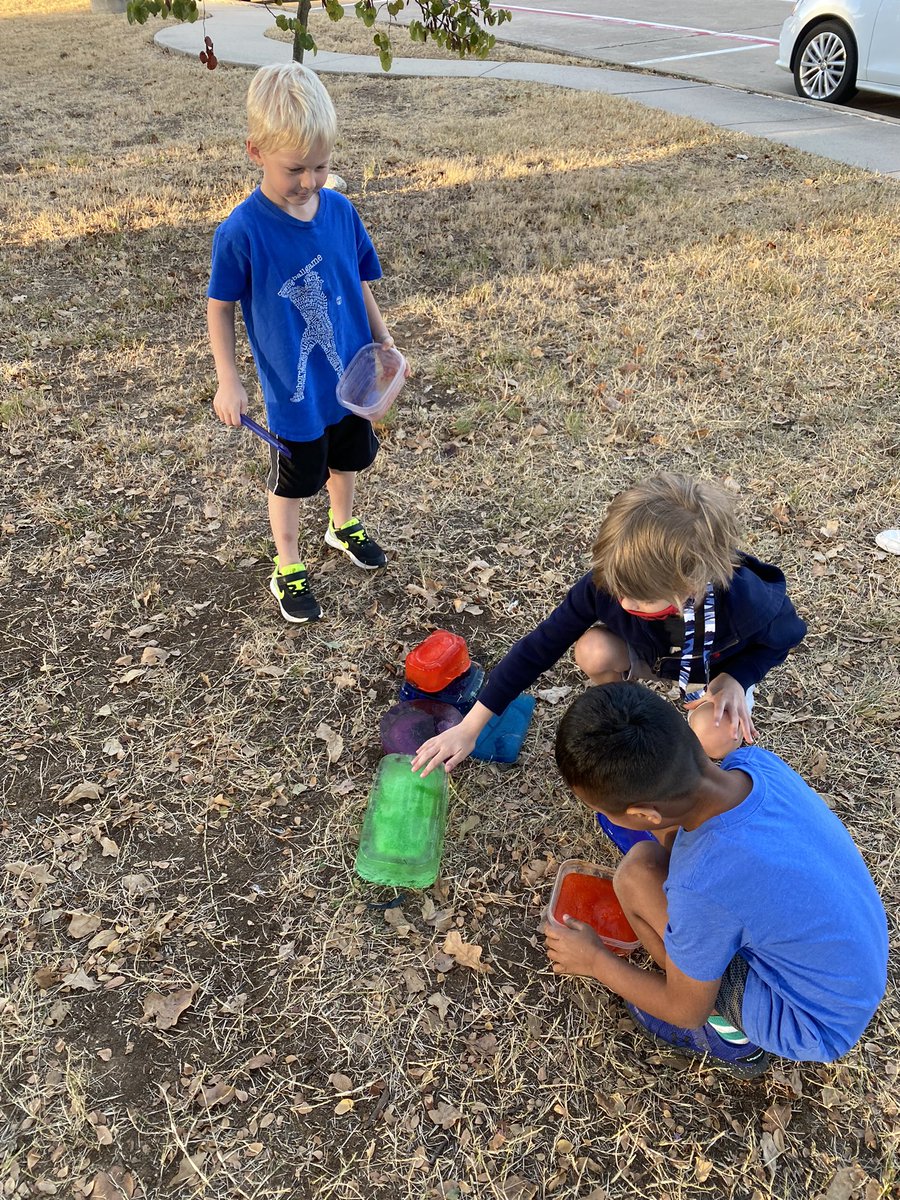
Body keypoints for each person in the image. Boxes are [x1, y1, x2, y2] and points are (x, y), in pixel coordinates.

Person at [412, 473, 806, 847]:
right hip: (647, 654)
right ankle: (624, 718)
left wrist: (738, 677)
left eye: (637, 598)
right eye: (618, 589)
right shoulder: (609, 582)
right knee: (593, 649)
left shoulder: (745, 601)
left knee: (717, 734)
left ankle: (684, 762)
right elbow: (539, 647)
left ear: (687, 585)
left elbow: (784, 640)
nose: (623, 602)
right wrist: (471, 726)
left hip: (711, 673)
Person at [544, 683, 887, 1076]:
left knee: (636, 876)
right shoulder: (757, 764)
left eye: (601, 810)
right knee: (650, 866)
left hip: (811, 1021)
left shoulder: (702, 884)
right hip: (855, 968)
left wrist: (595, 960)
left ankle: (731, 1038)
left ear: (646, 815)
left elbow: (686, 1010)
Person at [207, 63, 402, 623]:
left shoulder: (341, 212)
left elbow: (357, 281)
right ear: (255, 151)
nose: (311, 181)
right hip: (295, 398)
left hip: (353, 376)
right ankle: (287, 561)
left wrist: (385, 342)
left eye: (322, 165)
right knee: (295, 478)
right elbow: (219, 308)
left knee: (348, 459)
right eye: (296, 168)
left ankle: (342, 526)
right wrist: (229, 379)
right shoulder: (242, 231)